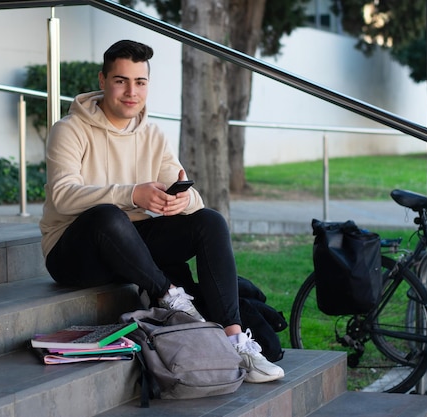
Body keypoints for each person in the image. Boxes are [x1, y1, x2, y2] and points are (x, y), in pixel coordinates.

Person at [39, 39, 284, 383]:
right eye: (121, 80)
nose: (131, 91)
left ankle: (235, 341)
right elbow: (63, 196)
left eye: (140, 82)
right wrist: (133, 194)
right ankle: (172, 298)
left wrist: (181, 201)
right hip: (75, 252)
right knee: (108, 215)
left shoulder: (152, 134)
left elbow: (187, 191)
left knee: (209, 222)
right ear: (102, 81)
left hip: (130, 245)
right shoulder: (69, 130)